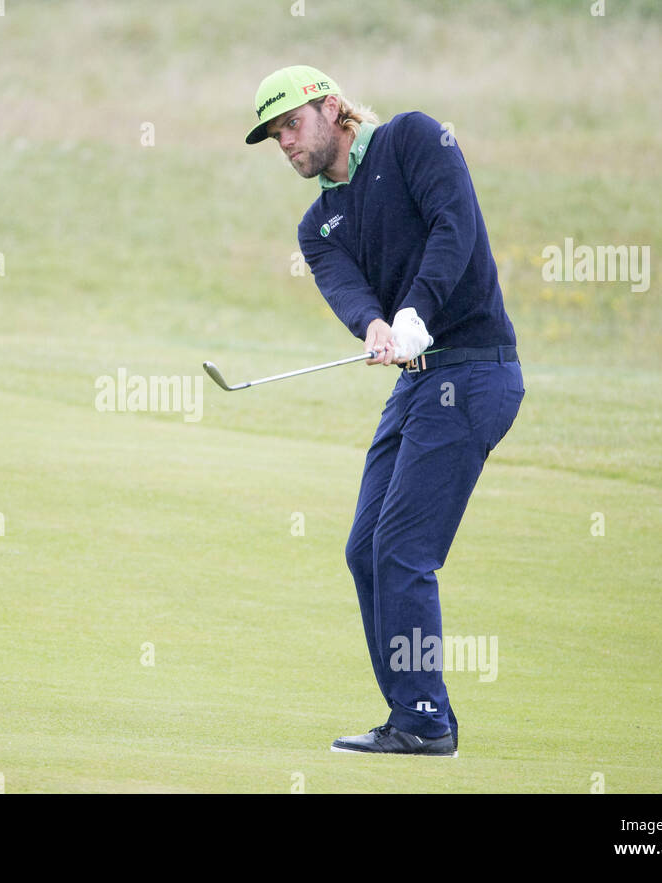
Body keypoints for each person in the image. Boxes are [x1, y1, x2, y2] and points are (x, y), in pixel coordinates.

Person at [245, 65, 525, 757]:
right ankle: (413, 711)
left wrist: (416, 311)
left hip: (474, 371)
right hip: (418, 384)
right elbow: (347, 291)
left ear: (331, 107)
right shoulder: (319, 223)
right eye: (274, 134)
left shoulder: (414, 140)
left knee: (403, 549)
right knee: (365, 549)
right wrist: (375, 326)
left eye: (291, 124)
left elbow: (452, 227)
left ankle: (425, 721)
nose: (284, 142)